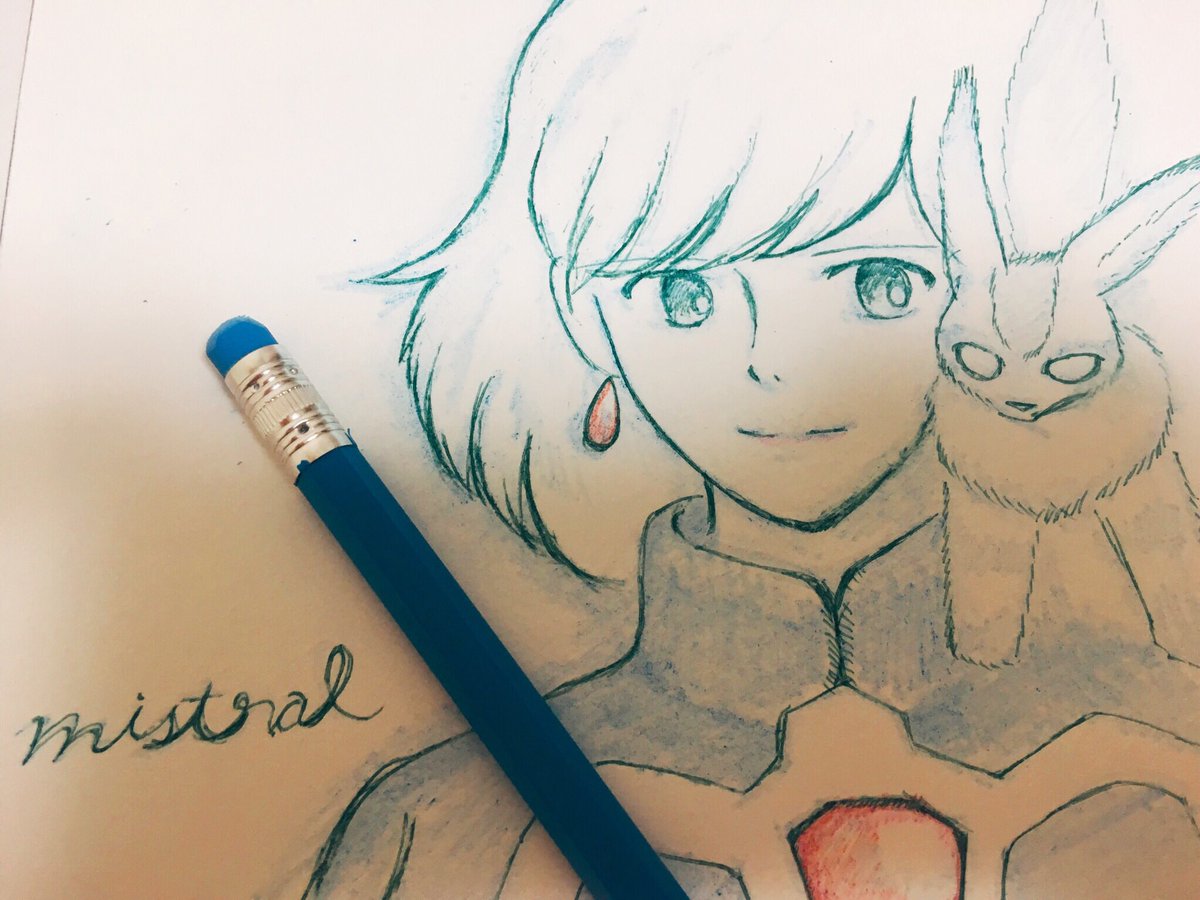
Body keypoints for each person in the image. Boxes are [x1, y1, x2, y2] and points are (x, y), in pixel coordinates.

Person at [305, 1, 1200, 895]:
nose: (773, 366)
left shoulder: (1164, 737)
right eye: (683, 295)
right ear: (585, 321)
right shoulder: (442, 829)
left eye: (881, 280)